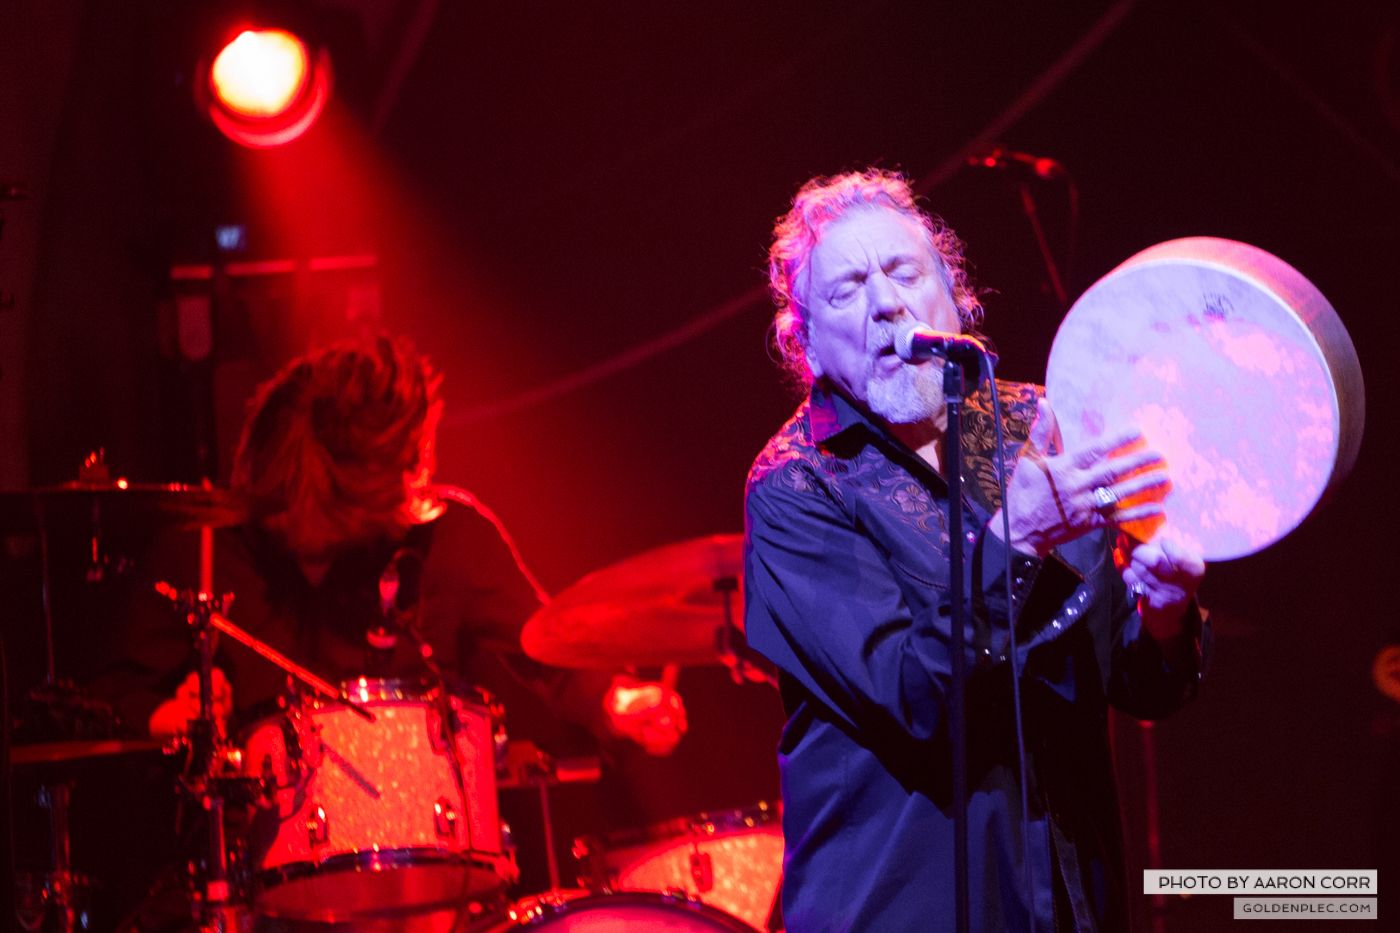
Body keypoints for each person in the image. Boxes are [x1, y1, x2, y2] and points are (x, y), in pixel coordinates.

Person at [742, 170, 1208, 931]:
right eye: (847, 289)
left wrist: (1162, 614)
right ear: (809, 342)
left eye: (905, 272)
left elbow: (1126, 677)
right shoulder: (796, 489)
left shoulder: (1036, 427)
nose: (886, 302)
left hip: (1074, 903)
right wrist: (1013, 540)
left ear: (954, 298)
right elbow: (915, 698)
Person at [109, 333, 683, 758]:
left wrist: (617, 699)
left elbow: (548, 648)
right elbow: (112, 698)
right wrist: (167, 716)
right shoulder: (203, 557)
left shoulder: (445, 539)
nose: (419, 478)